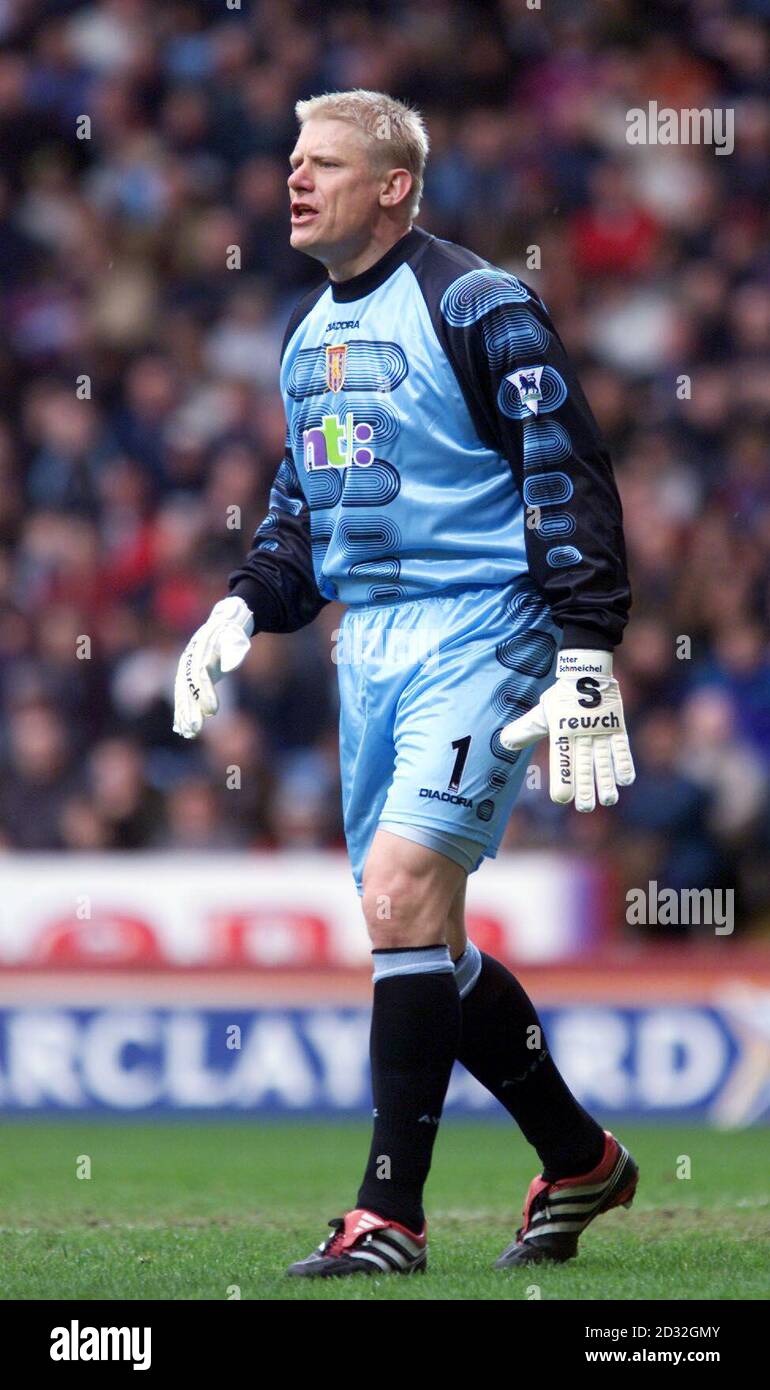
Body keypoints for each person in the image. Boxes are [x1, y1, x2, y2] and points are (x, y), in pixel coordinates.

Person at [173, 90, 638, 1277]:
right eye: (290, 157)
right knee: (417, 928)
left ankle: (389, 1214)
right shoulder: (302, 337)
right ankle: (578, 1157)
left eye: (323, 160)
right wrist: (239, 603)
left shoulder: (478, 303)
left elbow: (563, 467)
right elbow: (301, 520)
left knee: (395, 894)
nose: (293, 176)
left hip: (487, 629)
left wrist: (584, 648)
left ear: (392, 187)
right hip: (369, 649)